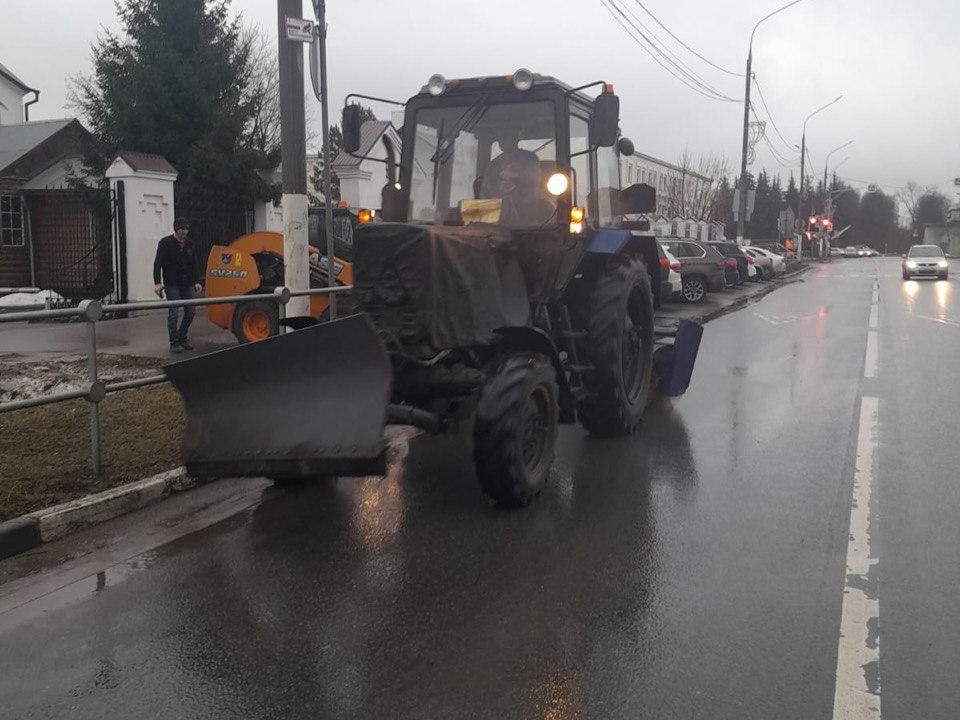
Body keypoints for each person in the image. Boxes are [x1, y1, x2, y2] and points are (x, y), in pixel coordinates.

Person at [153, 218, 202, 354]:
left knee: (191, 311)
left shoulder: (190, 243)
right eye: (181, 229)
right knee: (174, 312)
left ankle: (182, 336)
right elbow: (158, 263)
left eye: (186, 229)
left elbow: (194, 263)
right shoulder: (165, 243)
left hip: (188, 283)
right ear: (176, 229)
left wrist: (197, 281)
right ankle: (174, 342)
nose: (184, 232)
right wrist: (157, 283)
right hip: (172, 283)